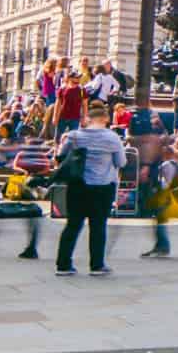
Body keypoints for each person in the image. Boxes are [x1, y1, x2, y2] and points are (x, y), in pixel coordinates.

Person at [53, 102, 127, 277]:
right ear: (105, 119)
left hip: (78, 185)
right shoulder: (112, 138)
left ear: (88, 119)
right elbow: (121, 162)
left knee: (73, 224)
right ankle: (96, 265)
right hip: (102, 186)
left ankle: (63, 264)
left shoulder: (74, 136)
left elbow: (61, 157)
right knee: (98, 225)